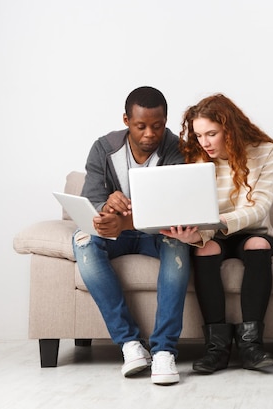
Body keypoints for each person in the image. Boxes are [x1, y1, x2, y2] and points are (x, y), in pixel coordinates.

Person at [73, 86, 190, 385]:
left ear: (166, 121)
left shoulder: (177, 149)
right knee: (82, 239)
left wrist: (125, 223)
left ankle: (164, 351)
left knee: (178, 242)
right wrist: (106, 206)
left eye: (157, 125)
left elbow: (173, 210)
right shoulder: (103, 148)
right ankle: (130, 344)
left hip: (157, 233)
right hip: (119, 233)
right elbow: (92, 199)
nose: (150, 133)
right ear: (126, 119)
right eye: (141, 126)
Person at [161, 93, 273, 374]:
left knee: (256, 246)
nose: (204, 142)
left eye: (211, 134)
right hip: (212, 232)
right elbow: (195, 209)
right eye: (199, 135)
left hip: (253, 229)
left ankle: (252, 345)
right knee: (206, 249)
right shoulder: (197, 156)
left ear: (230, 128)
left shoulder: (266, 152)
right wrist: (193, 235)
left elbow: (258, 208)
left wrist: (213, 224)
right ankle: (216, 349)